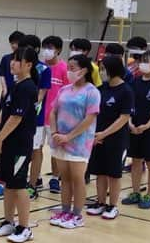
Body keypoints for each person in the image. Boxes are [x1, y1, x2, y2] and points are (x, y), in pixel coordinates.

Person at [0, 47, 40, 243]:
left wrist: (0, 136)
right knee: (8, 184)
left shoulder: (28, 87)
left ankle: (24, 227)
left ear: (28, 65)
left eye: (18, 60)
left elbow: (17, 117)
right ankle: (9, 221)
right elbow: (5, 112)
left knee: (19, 186)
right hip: (7, 143)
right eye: (12, 59)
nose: (13, 63)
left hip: (19, 145)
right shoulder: (15, 85)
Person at [48, 55, 100, 229]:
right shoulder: (64, 90)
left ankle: (77, 215)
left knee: (78, 179)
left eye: (72, 68)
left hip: (79, 143)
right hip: (59, 140)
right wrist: (55, 132)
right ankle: (65, 210)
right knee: (66, 179)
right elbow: (53, 111)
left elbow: (89, 118)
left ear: (84, 70)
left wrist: (69, 136)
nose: (69, 71)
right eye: (68, 67)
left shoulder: (92, 91)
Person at [86, 56, 133, 220]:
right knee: (100, 172)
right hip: (98, 137)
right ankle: (100, 202)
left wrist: (104, 133)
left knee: (114, 174)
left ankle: (113, 206)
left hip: (117, 139)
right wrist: (95, 134)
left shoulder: (126, 91)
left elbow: (124, 117)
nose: (101, 72)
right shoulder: (101, 88)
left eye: (104, 68)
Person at [121, 50, 150, 209]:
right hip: (135, 128)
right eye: (142, 60)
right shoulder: (135, 81)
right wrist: (131, 123)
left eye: (147, 61)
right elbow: (131, 105)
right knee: (136, 161)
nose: (143, 64)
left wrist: (147, 125)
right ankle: (135, 192)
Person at [21, 35, 52, 200]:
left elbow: (41, 94)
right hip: (18, 117)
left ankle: (32, 185)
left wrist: (28, 107)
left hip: (35, 118)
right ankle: (19, 182)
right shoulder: (18, 67)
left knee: (35, 150)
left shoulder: (44, 69)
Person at [40, 36, 68, 193]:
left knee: (55, 150)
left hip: (55, 118)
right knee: (36, 148)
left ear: (58, 50)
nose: (46, 51)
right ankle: (35, 177)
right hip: (38, 117)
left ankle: (55, 178)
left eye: (50, 47)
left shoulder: (64, 68)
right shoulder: (40, 68)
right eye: (45, 47)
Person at [0, 31, 23, 101]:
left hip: (21, 91)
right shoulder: (6, 58)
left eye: (16, 43)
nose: (13, 45)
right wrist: (4, 88)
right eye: (12, 43)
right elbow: (2, 74)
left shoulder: (25, 59)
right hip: (8, 90)